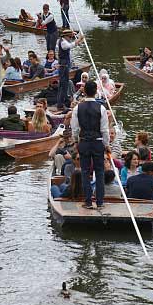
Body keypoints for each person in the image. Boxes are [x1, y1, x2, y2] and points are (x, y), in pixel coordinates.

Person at [71, 81, 110, 209]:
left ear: (84, 92)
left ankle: (88, 202)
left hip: (84, 142)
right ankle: (100, 202)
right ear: (95, 92)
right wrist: (107, 144)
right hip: (98, 142)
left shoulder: (77, 108)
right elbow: (104, 129)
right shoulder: (102, 108)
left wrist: (76, 141)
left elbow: (75, 128)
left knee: (85, 172)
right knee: (99, 172)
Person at [56, 28, 85, 111]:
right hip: (64, 66)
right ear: (66, 36)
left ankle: (61, 103)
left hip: (65, 66)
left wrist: (80, 40)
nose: (70, 38)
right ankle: (60, 105)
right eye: (70, 36)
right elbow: (70, 45)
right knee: (63, 85)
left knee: (64, 85)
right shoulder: (63, 43)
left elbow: (73, 45)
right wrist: (79, 39)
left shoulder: (62, 41)